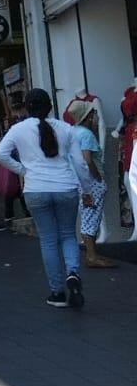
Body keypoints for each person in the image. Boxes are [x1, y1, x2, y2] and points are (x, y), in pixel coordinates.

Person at [0, 88, 94, 309]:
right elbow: (80, 164)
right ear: (50, 106)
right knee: (68, 234)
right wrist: (86, 190)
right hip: (66, 187)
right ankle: (73, 273)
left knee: (48, 239)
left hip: (35, 188)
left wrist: (23, 170)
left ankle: (57, 292)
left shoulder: (18, 129)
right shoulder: (66, 129)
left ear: (27, 107)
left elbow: (0, 154)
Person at [65, 98, 117, 269]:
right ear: (87, 116)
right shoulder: (86, 134)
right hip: (90, 181)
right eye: (93, 114)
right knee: (91, 217)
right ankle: (92, 256)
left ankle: (92, 254)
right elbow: (88, 159)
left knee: (88, 216)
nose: (95, 117)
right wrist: (99, 179)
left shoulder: (72, 132)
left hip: (80, 181)